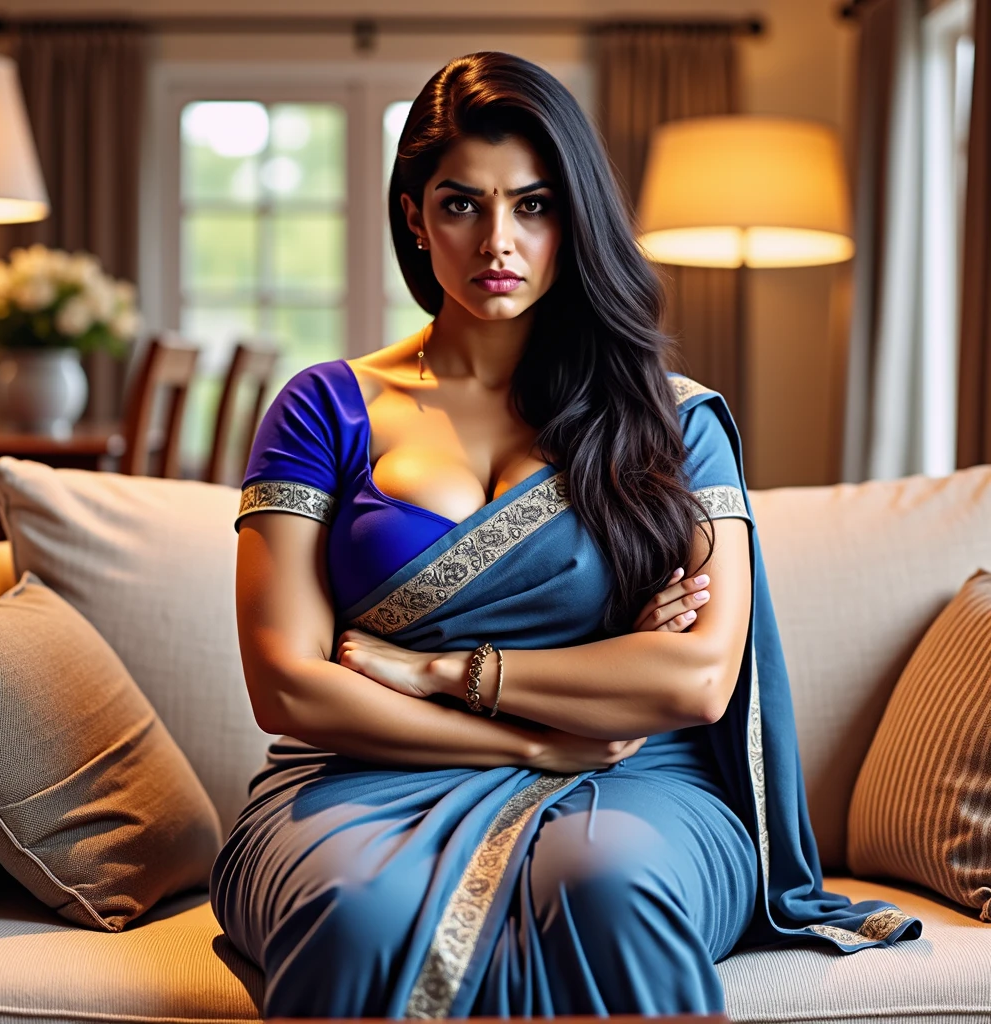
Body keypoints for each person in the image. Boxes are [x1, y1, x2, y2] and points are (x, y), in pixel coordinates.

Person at [209, 50, 921, 1018]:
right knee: (357, 913)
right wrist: (537, 744)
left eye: (534, 205)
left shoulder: (675, 424)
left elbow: (694, 680)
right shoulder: (322, 407)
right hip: (365, 769)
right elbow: (288, 683)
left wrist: (441, 670)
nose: (496, 240)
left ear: (574, 216)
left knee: (607, 887)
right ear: (413, 217)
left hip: (636, 773)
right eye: (461, 204)